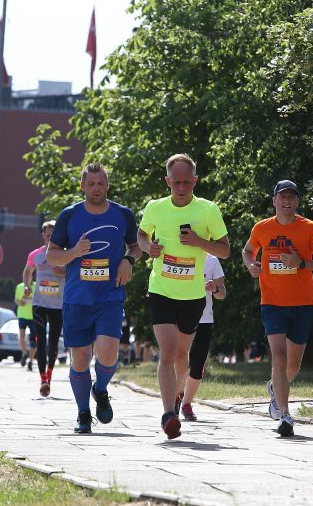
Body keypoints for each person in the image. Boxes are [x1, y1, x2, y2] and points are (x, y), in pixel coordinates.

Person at [137, 154, 230, 439]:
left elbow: (224, 250)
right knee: (167, 352)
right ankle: (168, 413)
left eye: (186, 181)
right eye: (176, 181)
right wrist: (148, 248)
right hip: (162, 290)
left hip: (192, 297)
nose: (181, 186)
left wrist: (200, 242)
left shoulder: (208, 210)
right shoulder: (155, 208)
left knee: (181, 356)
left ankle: (176, 398)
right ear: (168, 181)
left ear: (195, 181)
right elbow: (141, 235)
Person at [46, 163, 141, 433]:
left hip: (110, 295)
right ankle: (83, 414)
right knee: (79, 359)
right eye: (91, 184)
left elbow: (136, 247)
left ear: (107, 185)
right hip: (77, 297)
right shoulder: (70, 215)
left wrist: (127, 260)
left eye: (101, 183)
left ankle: (100, 390)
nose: (96, 188)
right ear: (82, 186)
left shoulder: (122, 214)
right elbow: (52, 255)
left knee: (109, 354)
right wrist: (75, 251)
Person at [242, 180, 313, 437]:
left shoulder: (310, 228)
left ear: (297, 201)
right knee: (278, 357)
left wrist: (300, 263)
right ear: (274, 200)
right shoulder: (262, 228)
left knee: (292, 366)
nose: (287, 202)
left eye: (292, 197)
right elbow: (247, 250)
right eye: (282, 197)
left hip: (302, 303)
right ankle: (285, 414)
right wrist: (250, 264)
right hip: (272, 303)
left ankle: (275, 389)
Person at [178, 253, 226, 422]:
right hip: (180, 318)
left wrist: (215, 289)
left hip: (204, 319)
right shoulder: (177, 255)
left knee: (197, 365)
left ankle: (187, 403)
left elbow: (222, 293)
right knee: (179, 360)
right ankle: (176, 396)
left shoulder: (212, 260)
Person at [23, 220, 66, 396]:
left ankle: (50, 375)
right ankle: (43, 380)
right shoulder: (35, 255)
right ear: (43, 236)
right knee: (41, 340)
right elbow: (27, 271)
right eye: (48, 235)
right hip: (39, 303)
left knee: (53, 343)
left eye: (54, 236)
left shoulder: (65, 254)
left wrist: (61, 271)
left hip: (58, 304)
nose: (51, 238)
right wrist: (27, 285)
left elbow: (71, 271)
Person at [14, 280, 36, 370]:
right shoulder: (19, 286)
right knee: (21, 336)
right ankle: (24, 353)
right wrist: (20, 302)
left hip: (33, 316)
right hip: (22, 315)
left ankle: (30, 361)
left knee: (33, 340)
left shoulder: (36, 286)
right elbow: (16, 300)